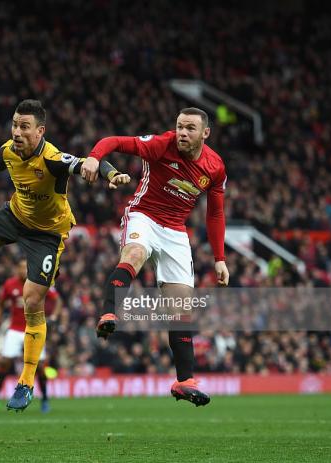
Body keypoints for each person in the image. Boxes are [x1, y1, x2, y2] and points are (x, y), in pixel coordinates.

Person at [0, 99, 130, 411]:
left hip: (47, 235)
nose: (17, 132)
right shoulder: (10, 149)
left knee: (33, 299)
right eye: (14, 125)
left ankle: (25, 381)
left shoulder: (52, 158)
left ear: (40, 131)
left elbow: (87, 163)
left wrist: (110, 173)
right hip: (14, 215)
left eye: (24, 127)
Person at [81, 107, 229, 406]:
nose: (183, 133)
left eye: (190, 128)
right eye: (180, 126)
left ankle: (184, 381)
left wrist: (219, 257)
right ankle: (110, 312)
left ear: (205, 133)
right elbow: (116, 141)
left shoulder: (215, 167)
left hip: (175, 230)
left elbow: (215, 212)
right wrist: (95, 157)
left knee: (181, 305)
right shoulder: (162, 144)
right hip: (144, 216)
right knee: (134, 253)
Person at [0, 259, 62, 413]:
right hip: (15, 329)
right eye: (20, 267)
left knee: (40, 367)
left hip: (34, 329)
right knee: (4, 364)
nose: (22, 270)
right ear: (16, 269)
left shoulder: (38, 281)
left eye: (25, 267)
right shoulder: (9, 284)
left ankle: (45, 400)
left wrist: (53, 317)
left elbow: (57, 300)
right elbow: (1, 305)